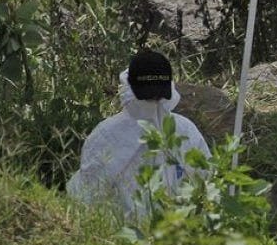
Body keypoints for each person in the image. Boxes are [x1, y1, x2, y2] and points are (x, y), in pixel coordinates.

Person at [67, 50, 210, 218]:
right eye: (148, 97)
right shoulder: (107, 135)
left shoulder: (185, 130)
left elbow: (206, 182)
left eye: (159, 96)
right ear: (131, 89)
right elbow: (87, 195)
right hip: (119, 231)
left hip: (177, 229)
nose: (154, 102)